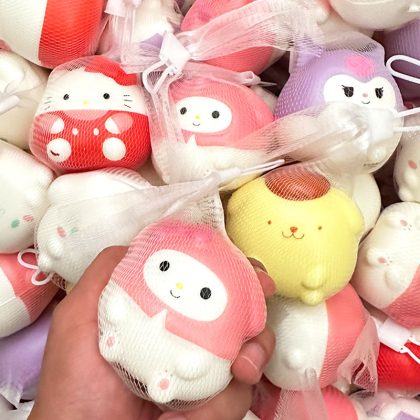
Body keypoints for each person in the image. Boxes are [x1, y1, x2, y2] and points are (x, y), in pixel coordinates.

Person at [28, 246, 275, 420]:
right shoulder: (132, 267)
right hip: (129, 322)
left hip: (192, 356)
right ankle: (117, 344)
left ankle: (164, 380)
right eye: (165, 266)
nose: (178, 288)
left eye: (205, 293)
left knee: (195, 367)